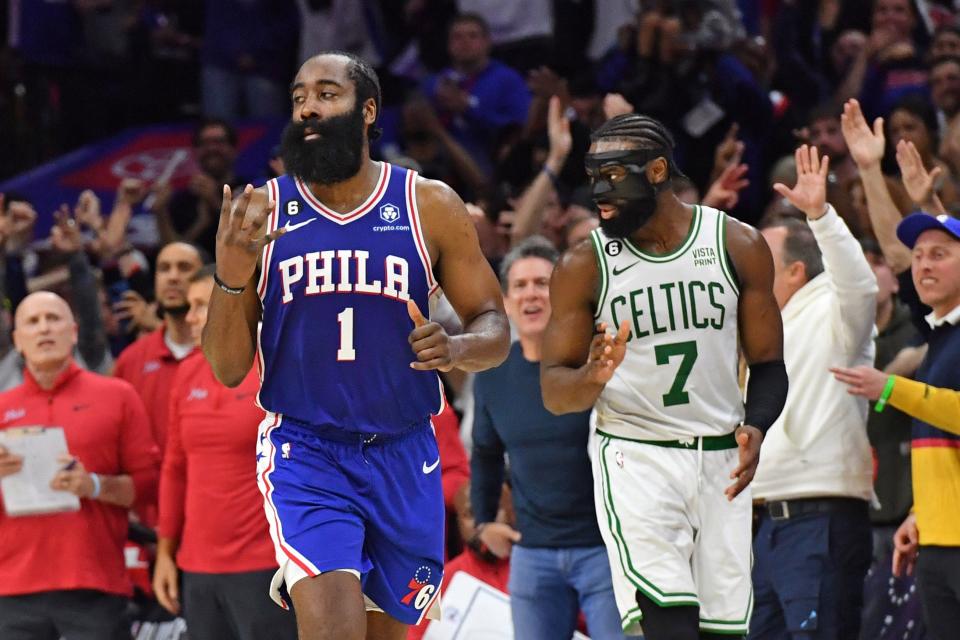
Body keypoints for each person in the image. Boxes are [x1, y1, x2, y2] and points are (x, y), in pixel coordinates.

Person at [203, 51, 510, 640]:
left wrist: (457, 347)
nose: (309, 108)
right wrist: (231, 275)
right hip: (308, 452)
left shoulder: (429, 205)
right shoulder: (263, 211)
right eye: (298, 98)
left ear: (368, 111)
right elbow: (226, 366)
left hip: (405, 452)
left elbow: (495, 327)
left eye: (326, 94)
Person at [540, 113, 787, 640]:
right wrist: (593, 375)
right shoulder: (584, 264)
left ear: (656, 171)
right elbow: (555, 392)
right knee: (668, 623)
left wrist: (758, 426)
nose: (598, 193)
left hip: (720, 456)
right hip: (636, 453)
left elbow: (768, 366)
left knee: (722, 631)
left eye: (612, 176)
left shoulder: (736, 244)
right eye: (592, 176)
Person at [750, 145, 878, 640]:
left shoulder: (832, 309)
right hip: (766, 525)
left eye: (761, 265)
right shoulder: (762, 329)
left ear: (795, 272)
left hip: (821, 519)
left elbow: (861, 286)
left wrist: (822, 216)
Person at [471, 236, 626, 640]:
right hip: (532, 553)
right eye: (520, 286)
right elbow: (486, 454)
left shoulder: (598, 360)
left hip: (607, 549)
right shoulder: (493, 375)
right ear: (505, 303)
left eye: (543, 283)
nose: (531, 294)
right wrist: (484, 521)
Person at [828, 210, 960, 639]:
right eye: (918, 255)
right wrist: (922, 515)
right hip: (938, 540)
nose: (923, 265)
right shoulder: (941, 336)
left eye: (939, 254)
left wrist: (890, 388)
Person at [0, 292, 159, 640]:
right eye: (32, 321)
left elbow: (147, 486)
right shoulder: (1, 406)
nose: (44, 328)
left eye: (54, 319)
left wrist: (95, 486)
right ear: (17, 341)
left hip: (95, 584)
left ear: (73, 332)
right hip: (10, 590)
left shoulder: (118, 395)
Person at [153, 265, 297, 640]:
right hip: (197, 566)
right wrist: (166, 553)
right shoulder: (186, 373)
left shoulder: (280, 365)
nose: (190, 316)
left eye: (202, 305)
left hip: (268, 562)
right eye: (190, 305)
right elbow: (175, 467)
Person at [113, 241, 203, 462]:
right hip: (155, 493)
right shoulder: (131, 360)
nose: (173, 277)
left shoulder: (232, 355)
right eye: (164, 268)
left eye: (184, 268)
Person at [421, 13, 531, 176]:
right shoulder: (434, 83)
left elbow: (521, 128)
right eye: (457, 37)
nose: (465, 42)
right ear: (448, 44)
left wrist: (469, 108)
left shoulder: (507, 79)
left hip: (493, 159)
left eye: (473, 36)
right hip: (444, 161)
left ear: (488, 42)